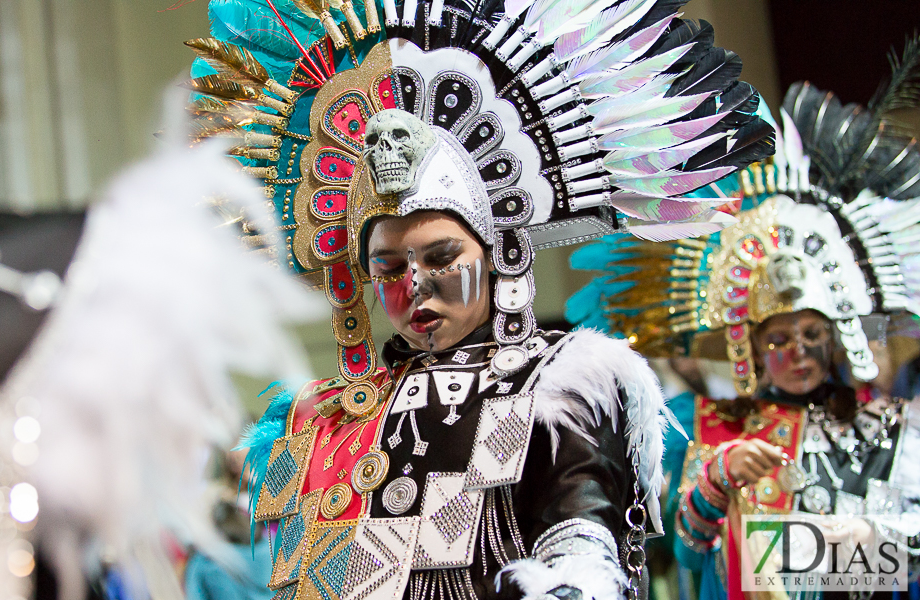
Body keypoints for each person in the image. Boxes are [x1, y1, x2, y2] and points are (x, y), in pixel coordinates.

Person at [192, 0, 775, 598]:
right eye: (388, 267)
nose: (415, 283)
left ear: (498, 254)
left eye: (441, 257)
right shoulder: (328, 422)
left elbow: (581, 532)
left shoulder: (563, 384)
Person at [568, 65, 920, 600]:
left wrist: (868, 538)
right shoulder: (720, 429)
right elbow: (687, 545)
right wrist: (718, 477)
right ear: (750, 347)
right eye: (778, 339)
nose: (798, 353)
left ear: (836, 335)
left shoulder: (887, 425)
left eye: (811, 334)